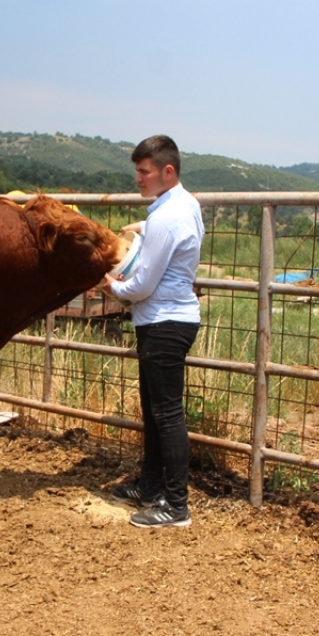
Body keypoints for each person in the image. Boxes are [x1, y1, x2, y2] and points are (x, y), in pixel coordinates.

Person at [104, 134, 204, 528]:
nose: (138, 179)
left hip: (163, 321)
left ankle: (177, 505)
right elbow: (166, 232)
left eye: (143, 172)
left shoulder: (165, 217)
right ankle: (149, 486)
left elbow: (141, 287)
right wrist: (145, 227)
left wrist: (109, 285)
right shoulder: (183, 205)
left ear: (167, 171)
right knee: (155, 410)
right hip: (169, 319)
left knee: (166, 412)